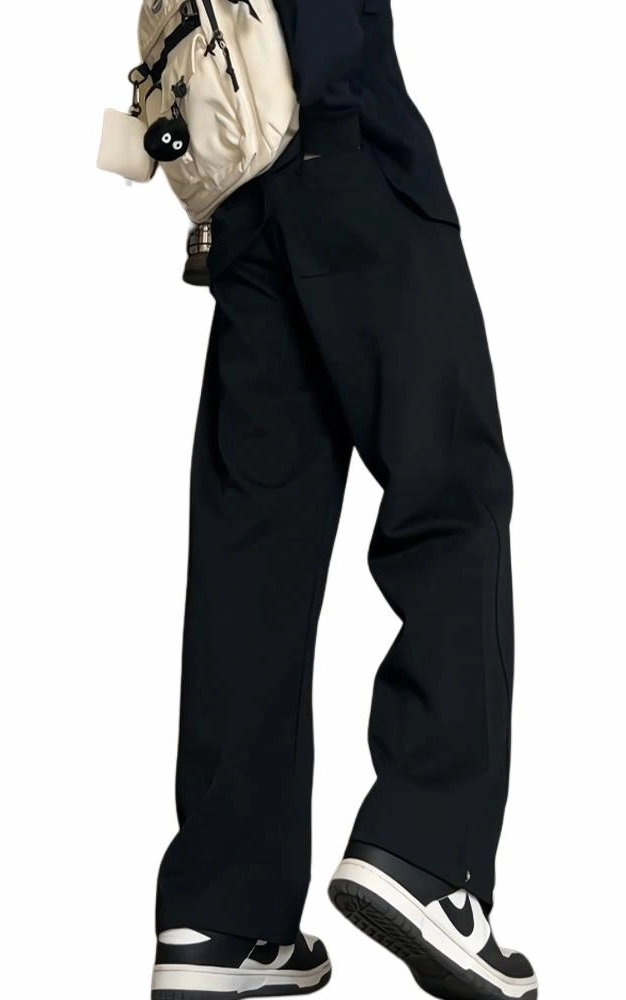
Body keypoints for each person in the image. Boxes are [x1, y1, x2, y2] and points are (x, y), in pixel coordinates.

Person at [149, 1, 537, 998]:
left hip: (241, 182)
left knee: (254, 550)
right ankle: (427, 851)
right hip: (344, 135)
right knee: (449, 489)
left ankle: (221, 914)